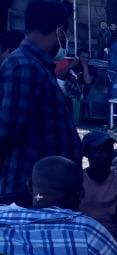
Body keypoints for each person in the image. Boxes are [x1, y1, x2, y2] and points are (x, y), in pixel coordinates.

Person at [0, 1, 81, 206]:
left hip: (46, 190)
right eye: (65, 34)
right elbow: (7, 130)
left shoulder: (38, 66)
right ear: (59, 31)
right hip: (29, 191)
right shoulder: (24, 66)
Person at [80, 131, 117, 255]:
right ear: (86, 153)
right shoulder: (78, 180)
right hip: (84, 237)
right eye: (98, 151)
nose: (105, 156)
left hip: (114, 238)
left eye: (109, 151)